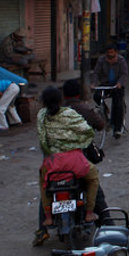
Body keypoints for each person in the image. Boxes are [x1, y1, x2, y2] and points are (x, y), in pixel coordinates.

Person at [33, 86, 103, 245]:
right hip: (74, 160)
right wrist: (77, 143)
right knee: (93, 178)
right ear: (60, 100)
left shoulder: (41, 116)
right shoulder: (70, 114)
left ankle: (48, 217)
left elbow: (42, 139)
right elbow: (87, 132)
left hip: (52, 163)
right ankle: (89, 213)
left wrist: (51, 151)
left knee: (44, 183)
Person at [92, 44, 128, 138]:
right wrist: (94, 83)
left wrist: (120, 83)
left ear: (115, 52)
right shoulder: (101, 60)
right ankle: (105, 114)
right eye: (108, 53)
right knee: (97, 96)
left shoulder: (121, 60)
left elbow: (124, 74)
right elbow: (96, 73)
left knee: (118, 105)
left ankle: (117, 129)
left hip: (117, 85)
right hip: (105, 84)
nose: (110, 54)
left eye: (112, 52)